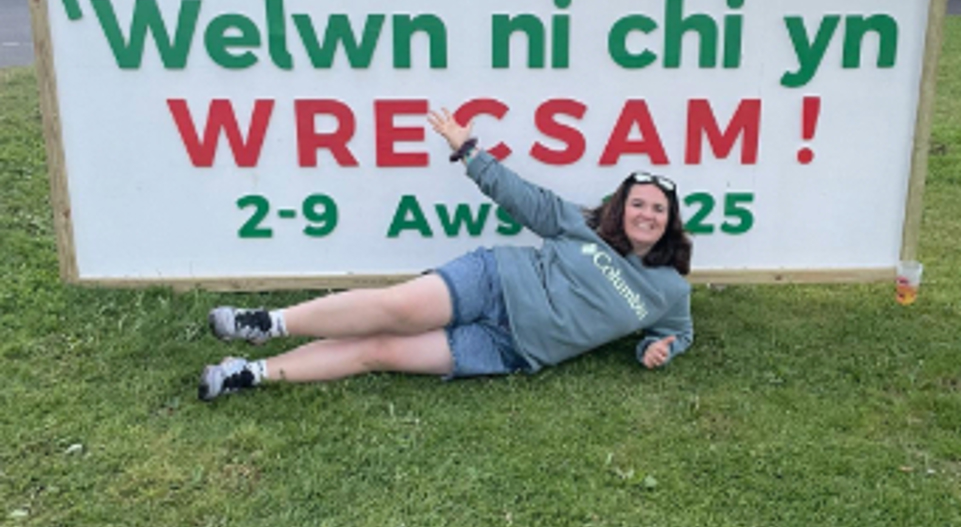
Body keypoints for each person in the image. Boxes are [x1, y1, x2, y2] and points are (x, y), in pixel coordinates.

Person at [198, 108, 694, 401]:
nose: (645, 215)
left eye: (657, 209)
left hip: (512, 349)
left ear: (670, 219)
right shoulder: (586, 225)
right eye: (637, 204)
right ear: (621, 207)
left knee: (381, 350)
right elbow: (525, 197)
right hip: (497, 280)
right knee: (397, 309)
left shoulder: (669, 290)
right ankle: (267, 323)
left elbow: (677, 334)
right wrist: (469, 151)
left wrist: (659, 349)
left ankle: (250, 373)